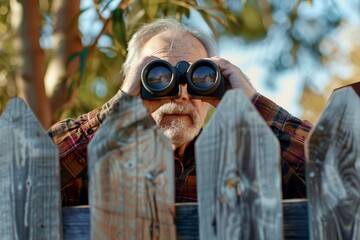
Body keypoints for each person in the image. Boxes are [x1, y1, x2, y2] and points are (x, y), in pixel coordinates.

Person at [48, 18, 313, 206]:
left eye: (200, 78)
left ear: (219, 84)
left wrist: (254, 107)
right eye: (161, 76)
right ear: (135, 83)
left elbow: (344, 172)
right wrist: (119, 109)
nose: (182, 93)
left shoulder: (254, 164)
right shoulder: (92, 166)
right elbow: (23, 175)